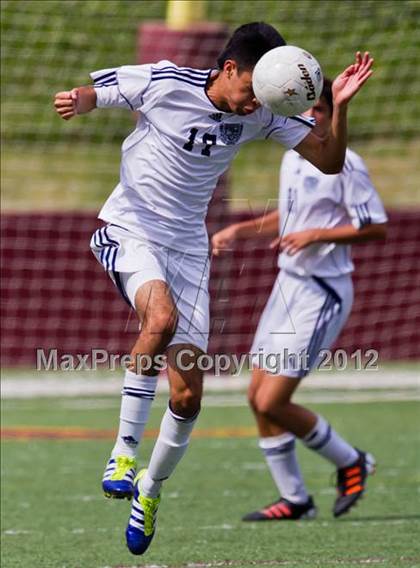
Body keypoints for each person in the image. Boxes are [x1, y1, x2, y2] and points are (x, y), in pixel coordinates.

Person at [54, 21, 373, 555]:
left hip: (188, 249)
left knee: (187, 394)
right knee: (160, 321)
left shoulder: (265, 111)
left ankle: (150, 491)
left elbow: (330, 160)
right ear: (229, 69)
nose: (254, 105)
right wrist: (79, 101)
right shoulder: (166, 81)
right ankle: (124, 452)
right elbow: (103, 90)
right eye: (250, 91)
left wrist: (338, 105)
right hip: (130, 228)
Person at [211, 77, 387, 522]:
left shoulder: (347, 164)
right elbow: (290, 219)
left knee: (273, 401)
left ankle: (352, 460)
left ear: (332, 113)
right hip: (286, 287)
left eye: (320, 110)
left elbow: (375, 226)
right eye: (305, 111)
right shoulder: (295, 156)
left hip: (321, 293)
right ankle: (295, 499)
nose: (311, 118)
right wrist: (240, 229)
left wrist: (317, 235)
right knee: (255, 395)